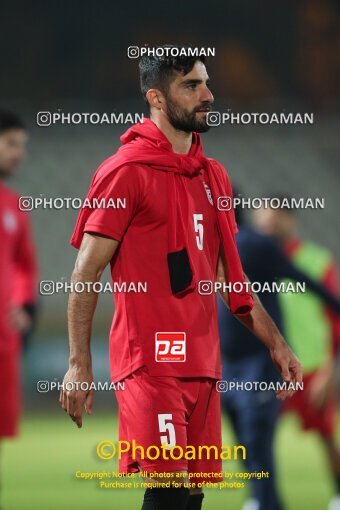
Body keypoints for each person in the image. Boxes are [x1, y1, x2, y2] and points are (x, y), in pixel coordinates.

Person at [60, 48, 302, 510]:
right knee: (168, 495)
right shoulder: (125, 172)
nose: (207, 95)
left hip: (204, 366)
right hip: (150, 364)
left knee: (191, 498)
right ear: (155, 97)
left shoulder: (213, 177)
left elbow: (230, 277)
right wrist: (78, 363)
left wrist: (277, 343)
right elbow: (86, 271)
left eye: (206, 83)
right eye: (191, 86)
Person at [218, 197, 340, 510]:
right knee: (251, 438)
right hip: (247, 363)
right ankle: (261, 500)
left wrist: (331, 367)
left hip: (301, 365)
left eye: (275, 220)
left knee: (320, 436)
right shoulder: (220, 247)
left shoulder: (304, 256)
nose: (270, 226)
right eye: (266, 221)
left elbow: (323, 297)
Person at [0, 109, 38, 500]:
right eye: (11, 144)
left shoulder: (14, 204)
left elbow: (26, 266)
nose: (19, 154)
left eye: (21, 146)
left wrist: (24, 307)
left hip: (3, 343)